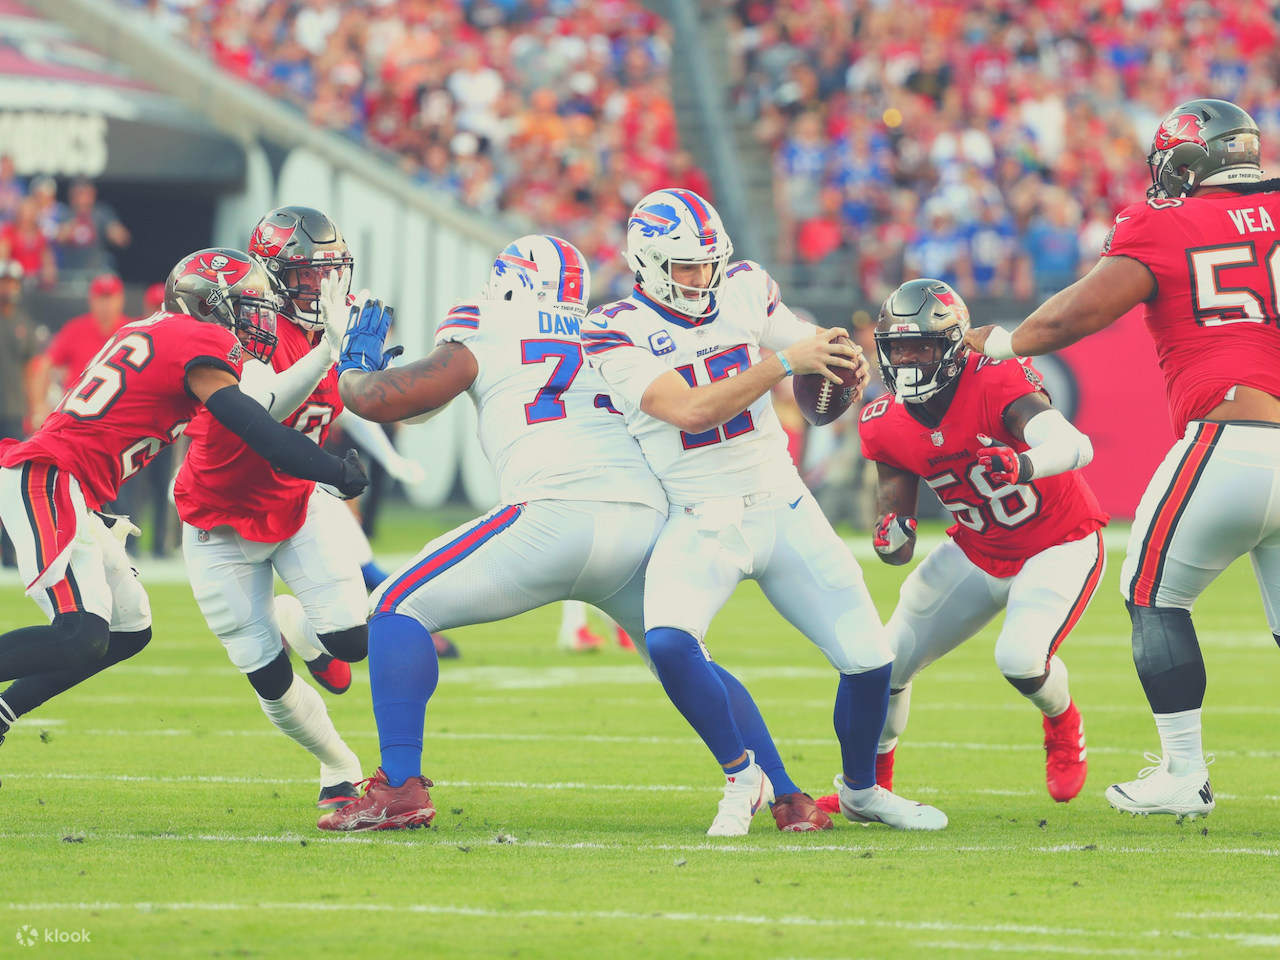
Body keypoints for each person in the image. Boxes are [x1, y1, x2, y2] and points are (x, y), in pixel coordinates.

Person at [320, 234, 830, 833]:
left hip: (553, 513)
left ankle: (400, 787)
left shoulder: (485, 320)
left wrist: (351, 360)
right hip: (642, 518)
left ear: (506, 283)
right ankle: (789, 796)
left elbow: (383, 401)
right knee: (683, 656)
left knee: (393, 608)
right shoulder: (606, 329)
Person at [581, 188, 946, 833]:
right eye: (686, 268)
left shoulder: (744, 287)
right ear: (645, 264)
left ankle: (861, 790)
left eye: (709, 264)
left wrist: (837, 363)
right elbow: (690, 409)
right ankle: (744, 773)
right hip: (699, 513)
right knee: (668, 643)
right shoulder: (614, 329)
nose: (702, 280)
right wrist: (782, 364)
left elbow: (813, 351)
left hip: (781, 499)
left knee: (870, 658)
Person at [965, 98, 1280, 820]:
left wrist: (1001, 344)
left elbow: (1076, 313)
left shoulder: (1165, 221)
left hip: (1226, 435)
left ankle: (1183, 772)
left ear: (1189, 161)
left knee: (1149, 594)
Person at [0, 248, 368, 751]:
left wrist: (323, 354)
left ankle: (5, 710)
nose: (258, 316)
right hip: (47, 478)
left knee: (128, 631)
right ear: (210, 305)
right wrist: (332, 470)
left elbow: (261, 404)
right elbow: (256, 426)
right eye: (248, 304)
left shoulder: (165, 332)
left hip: (73, 488)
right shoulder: (197, 339)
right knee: (79, 635)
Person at [811, 278, 1105, 816]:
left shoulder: (994, 378)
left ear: (950, 344)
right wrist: (891, 534)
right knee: (885, 665)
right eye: (896, 348)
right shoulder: (884, 419)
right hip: (977, 547)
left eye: (919, 346)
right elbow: (895, 527)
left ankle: (1062, 722)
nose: (906, 360)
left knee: (1020, 659)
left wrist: (1023, 463)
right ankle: (869, 790)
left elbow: (1075, 445)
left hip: (1057, 540)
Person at [172, 208, 386, 810]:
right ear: (265, 275)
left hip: (295, 504)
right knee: (267, 676)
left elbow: (386, 408)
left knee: (351, 642)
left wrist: (406, 382)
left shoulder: (335, 333)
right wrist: (328, 355)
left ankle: (305, 628)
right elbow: (262, 407)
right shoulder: (236, 333)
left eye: (327, 274)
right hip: (217, 521)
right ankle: (337, 764)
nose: (319, 288)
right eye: (304, 275)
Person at [28, 273, 130, 427]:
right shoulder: (75, 329)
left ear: (120, 300)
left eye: (110, 298)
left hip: (118, 417)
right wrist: (39, 406)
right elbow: (44, 365)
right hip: (77, 416)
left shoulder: (132, 330)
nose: (105, 305)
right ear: (91, 300)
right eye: (101, 298)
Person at [55, 178, 130, 275]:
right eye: (79, 194)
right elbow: (59, 239)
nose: (82, 198)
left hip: (96, 271)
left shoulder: (101, 213)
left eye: (86, 194)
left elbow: (122, 239)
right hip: (70, 272)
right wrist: (72, 225)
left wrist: (115, 232)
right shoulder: (64, 214)